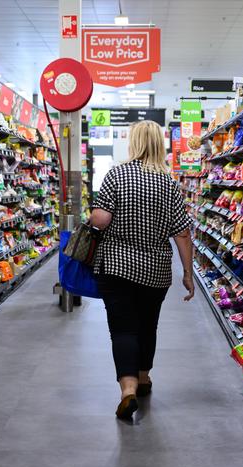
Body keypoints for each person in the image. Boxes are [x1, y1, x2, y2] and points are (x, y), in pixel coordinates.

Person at [90, 120, 194, 421]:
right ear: (159, 145)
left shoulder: (117, 174)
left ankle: (128, 391)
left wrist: (95, 216)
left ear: (133, 142)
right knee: (148, 326)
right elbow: (182, 233)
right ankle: (144, 377)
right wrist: (187, 273)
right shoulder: (168, 183)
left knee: (122, 329)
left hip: (116, 266)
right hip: (155, 270)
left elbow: (100, 220)